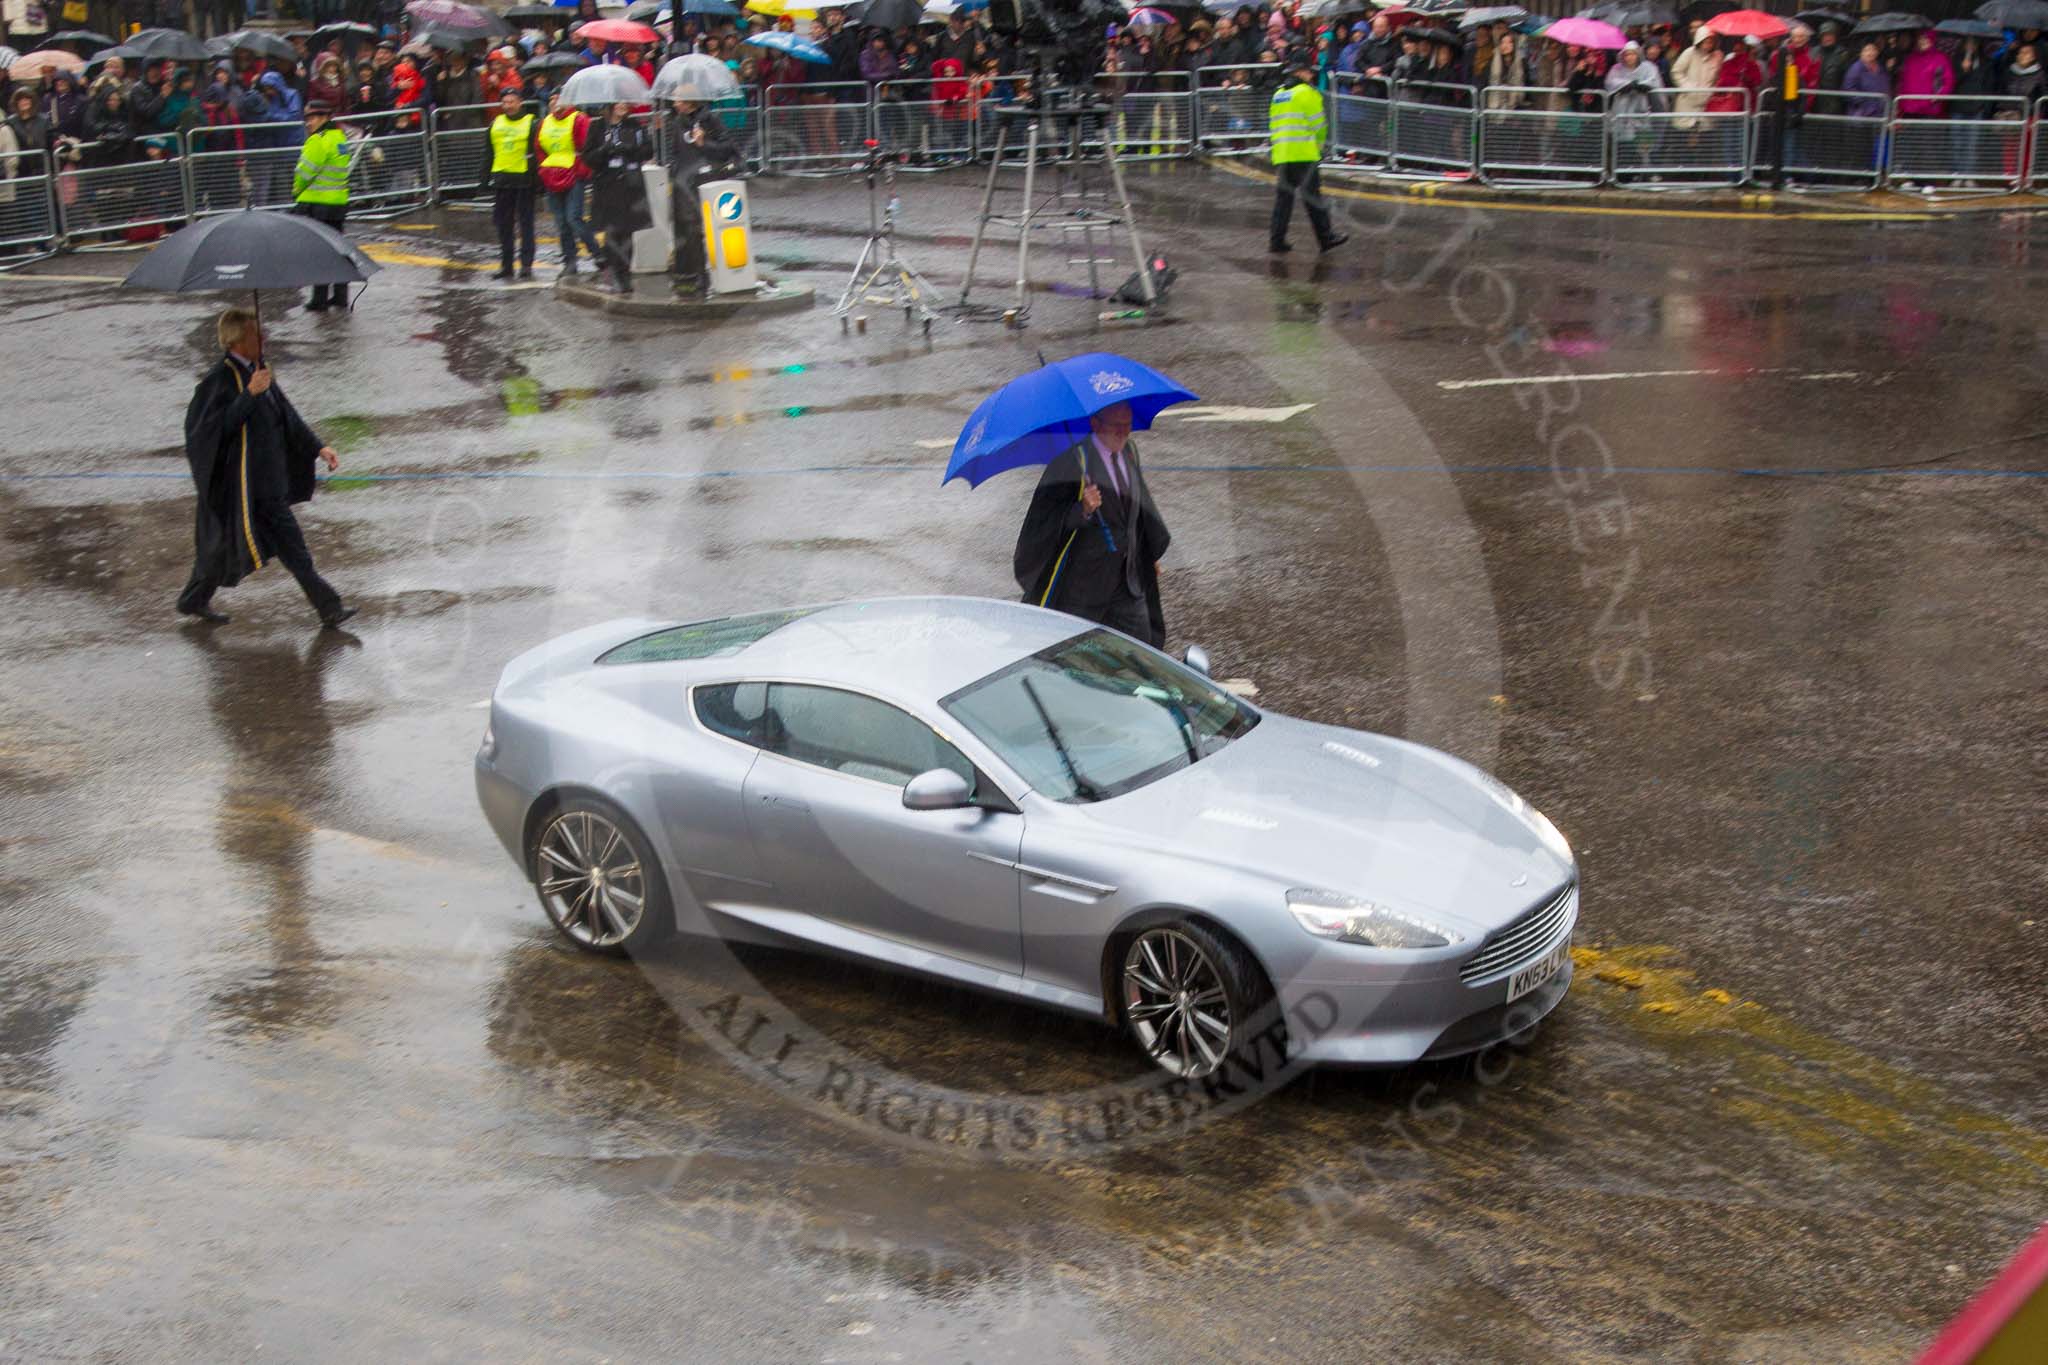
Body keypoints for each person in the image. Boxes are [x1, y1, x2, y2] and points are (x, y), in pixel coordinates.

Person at [177, 308, 354, 630]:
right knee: (281, 550)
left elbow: (286, 415)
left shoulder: (260, 371)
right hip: (246, 488)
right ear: (237, 341)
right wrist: (249, 395)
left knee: (279, 550)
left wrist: (318, 447)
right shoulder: (218, 381)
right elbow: (213, 432)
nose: (264, 339)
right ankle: (329, 608)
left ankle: (193, 599)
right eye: (257, 335)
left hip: (271, 485)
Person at [1011, 402, 1172, 648]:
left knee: (1142, 652)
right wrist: (1082, 510)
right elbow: (1043, 521)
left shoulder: (1130, 451)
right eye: (1116, 425)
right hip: (1084, 589)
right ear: (1095, 423)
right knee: (1072, 657)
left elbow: (1137, 509)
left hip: (1127, 581)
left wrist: (1146, 553)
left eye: (1127, 425)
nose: (1123, 432)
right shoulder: (1070, 463)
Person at [1267, 51, 1345, 254]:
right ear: (1302, 72)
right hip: (1303, 153)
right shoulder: (1307, 93)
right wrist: (1318, 148)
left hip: (1283, 154)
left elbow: (1273, 126)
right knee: (1313, 198)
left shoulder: (1278, 94)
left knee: (1283, 200)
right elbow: (1319, 125)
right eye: (1309, 72)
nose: (1311, 75)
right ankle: (1326, 238)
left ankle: (1276, 241)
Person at [664, 92, 736, 296]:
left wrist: (704, 143)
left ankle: (707, 275)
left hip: (706, 181)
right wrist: (674, 170)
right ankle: (693, 273)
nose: (675, 103)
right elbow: (675, 151)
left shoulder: (710, 119)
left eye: (678, 100)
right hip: (683, 184)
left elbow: (727, 148)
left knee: (705, 230)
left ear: (689, 102)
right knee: (688, 231)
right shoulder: (677, 121)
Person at [293, 101, 360, 312]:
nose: (308, 123)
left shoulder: (317, 141)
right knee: (338, 250)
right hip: (338, 203)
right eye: (307, 118)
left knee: (319, 252)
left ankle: (319, 299)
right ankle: (340, 296)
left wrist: (296, 191)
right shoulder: (339, 138)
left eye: (312, 118)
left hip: (318, 204)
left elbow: (305, 173)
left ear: (324, 118)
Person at [582, 100, 651, 294]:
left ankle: (625, 274)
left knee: (628, 231)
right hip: (607, 186)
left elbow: (648, 150)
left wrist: (630, 150)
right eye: (619, 103)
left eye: (625, 103)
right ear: (610, 105)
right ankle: (613, 273)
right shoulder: (597, 126)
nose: (623, 106)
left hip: (630, 185)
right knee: (612, 232)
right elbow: (587, 158)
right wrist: (605, 150)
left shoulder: (635, 125)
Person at [537, 90, 600, 277]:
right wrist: (543, 169)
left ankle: (597, 254)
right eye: (551, 99)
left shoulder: (579, 119)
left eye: (558, 98)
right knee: (561, 222)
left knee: (574, 218)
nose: (554, 102)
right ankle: (570, 262)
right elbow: (539, 148)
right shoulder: (544, 122)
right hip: (551, 176)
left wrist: (581, 171)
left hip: (573, 176)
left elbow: (586, 147)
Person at [486, 87, 538, 280]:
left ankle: (526, 265)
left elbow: (537, 152)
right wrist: (483, 182)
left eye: (512, 102)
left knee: (526, 225)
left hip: (524, 181)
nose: (508, 106)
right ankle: (506, 265)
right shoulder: (495, 123)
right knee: (503, 225)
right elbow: (488, 153)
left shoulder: (531, 122)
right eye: (505, 102)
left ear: (520, 102)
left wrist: (537, 181)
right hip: (502, 180)